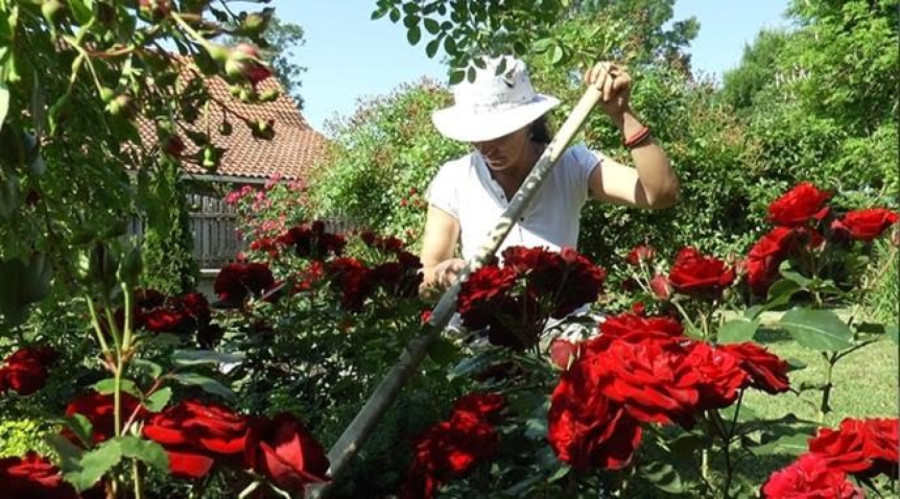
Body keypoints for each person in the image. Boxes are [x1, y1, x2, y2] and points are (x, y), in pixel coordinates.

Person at [420, 56, 679, 291]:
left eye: (499, 134)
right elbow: (427, 273)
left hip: (561, 327)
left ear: (527, 123)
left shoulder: (572, 165)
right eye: (476, 134)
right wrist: (442, 274)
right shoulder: (454, 178)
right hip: (481, 333)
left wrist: (622, 115)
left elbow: (660, 194)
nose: (486, 146)